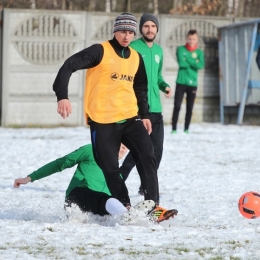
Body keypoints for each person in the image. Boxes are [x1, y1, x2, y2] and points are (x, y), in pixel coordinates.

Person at [52, 13, 159, 207]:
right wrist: (63, 96)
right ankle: (125, 206)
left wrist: (144, 115)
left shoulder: (135, 57)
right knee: (110, 168)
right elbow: (68, 66)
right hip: (102, 121)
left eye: (130, 32)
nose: (126, 36)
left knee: (147, 154)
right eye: (123, 31)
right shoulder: (100, 51)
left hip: (129, 118)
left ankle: (152, 205)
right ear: (115, 31)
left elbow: (140, 88)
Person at [13, 144, 178, 222]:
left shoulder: (116, 175)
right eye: (120, 142)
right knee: (106, 200)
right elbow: (60, 163)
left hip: (99, 206)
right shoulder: (91, 150)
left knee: (116, 203)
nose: (124, 147)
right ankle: (128, 217)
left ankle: (149, 217)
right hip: (76, 197)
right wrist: (30, 178)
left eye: (126, 146)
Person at [119, 13, 172, 195]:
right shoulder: (133, 47)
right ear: (141, 29)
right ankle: (118, 179)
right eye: (146, 26)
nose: (150, 29)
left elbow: (157, 76)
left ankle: (146, 186)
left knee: (157, 152)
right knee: (138, 151)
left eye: (153, 26)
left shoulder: (159, 51)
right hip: (138, 109)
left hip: (156, 108)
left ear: (157, 29)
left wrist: (164, 86)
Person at [171, 29, 204, 134]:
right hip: (181, 82)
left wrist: (187, 58)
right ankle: (174, 128)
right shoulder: (180, 49)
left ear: (197, 39)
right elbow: (181, 63)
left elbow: (201, 65)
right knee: (177, 106)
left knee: (189, 107)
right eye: (190, 38)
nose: (191, 41)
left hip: (193, 84)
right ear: (187, 38)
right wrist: (194, 61)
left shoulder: (199, 52)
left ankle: (186, 128)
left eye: (194, 39)